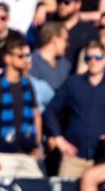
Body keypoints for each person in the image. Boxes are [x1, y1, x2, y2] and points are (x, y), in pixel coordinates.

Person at [0, 36, 44, 179]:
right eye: (20, 55)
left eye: (27, 55)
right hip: (1, 156)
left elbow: (36, 115)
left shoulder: (27, 84)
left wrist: (36, 145)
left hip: (26, 155)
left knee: (38, 190)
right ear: (8, 58)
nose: (25, 59)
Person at [44, 41, 105, 179]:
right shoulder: (73, 83)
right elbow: (49, 110)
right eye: (89, 58)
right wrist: (58, 138)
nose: (93, 61)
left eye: (98, 57)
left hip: (101, 158)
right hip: (74, 156)